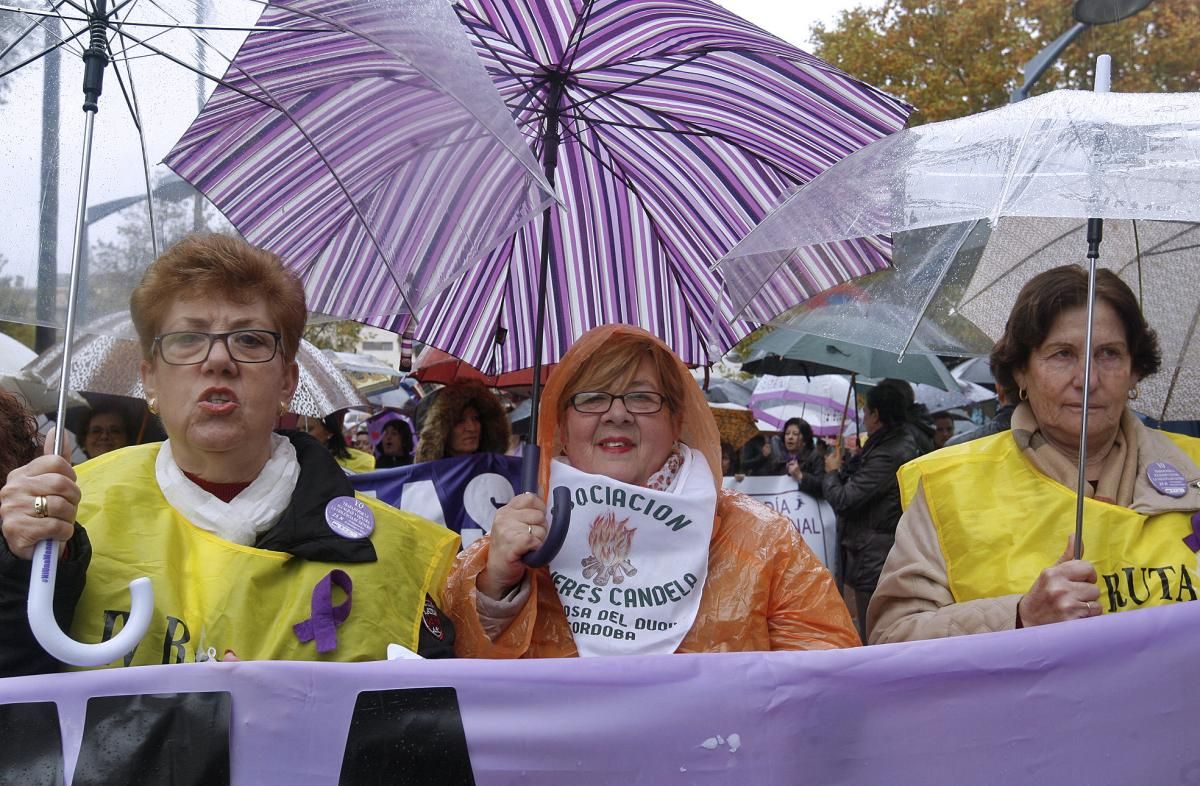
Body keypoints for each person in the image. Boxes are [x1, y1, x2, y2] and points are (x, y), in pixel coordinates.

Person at [0, 234, 459, 676]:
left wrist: (497, 600)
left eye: (250, 340)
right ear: (150, 380)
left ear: (287, 381)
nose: (218, 360)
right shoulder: (68, 514)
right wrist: (20, 566)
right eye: (187, 340)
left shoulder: (395, 552)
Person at [442, 324, 858, 657]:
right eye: (592, 398)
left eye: (642, 398)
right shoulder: (520, 537)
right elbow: (459, 671)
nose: (617, 414)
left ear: (677, 420)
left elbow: (826, 679)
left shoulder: (764, 539)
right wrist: (497, 588)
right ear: (562, 428)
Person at [869, 266, 1200, 644]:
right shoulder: (950, 486)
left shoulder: (1195, 466)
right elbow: (892, 638)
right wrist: (1020, 616)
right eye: (1062, 354)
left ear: (1135, 371)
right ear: (1021, 372)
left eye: (1108, 354)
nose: (1087, 379)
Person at [822, 383, 919, 642]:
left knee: (874, 637)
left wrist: (831, 472)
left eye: (866, 412)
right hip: (870, 552)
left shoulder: (890, 453)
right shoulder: (883, 446)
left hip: (875, 556)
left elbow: (845, 499)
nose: (863, 418)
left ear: (876, 414)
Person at [414, 380, 510, 463]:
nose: (472, 428)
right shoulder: (422, 481)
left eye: (476, 418)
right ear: (438, 432)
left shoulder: (500, 470)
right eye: (459, 421)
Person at [300, 411, 375, 473]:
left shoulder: (363, 461)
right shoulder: (296, 462)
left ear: (328, 432)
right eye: (298, 430)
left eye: (308, 429)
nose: (301, 434)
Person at [782, 417, 825, 496]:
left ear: (805, 440)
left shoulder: (815, 456)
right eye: (787, 433)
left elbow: (823, 487)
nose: (790, 437)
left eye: (795, 434)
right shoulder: (781, 457)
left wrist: (800, 475)